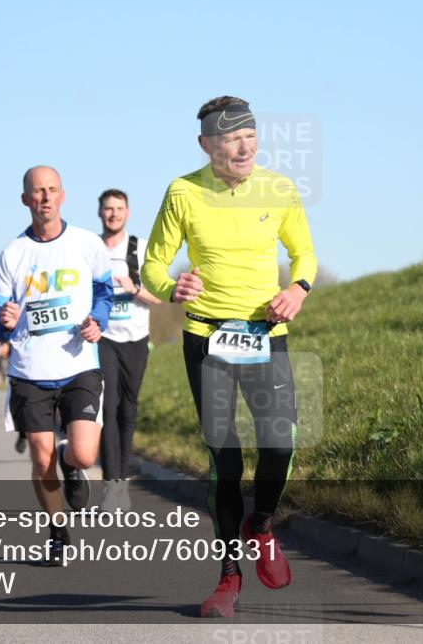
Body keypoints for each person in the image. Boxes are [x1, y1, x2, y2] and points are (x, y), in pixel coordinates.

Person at [141, 96, 317, 617]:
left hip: (265, 334)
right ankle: (227, 578)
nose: (242, 146)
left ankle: (259, 525)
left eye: (249, 135)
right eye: (228, 138)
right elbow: (152, 264)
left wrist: (299, 289)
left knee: (280, 444)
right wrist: (174, 286)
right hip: (206, 337)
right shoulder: (183, 192)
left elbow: (303, 252)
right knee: (225, 457)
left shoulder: (280, 189)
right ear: (206, 145)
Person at [0, 165, 113, 564]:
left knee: (86, 454)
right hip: (29, 372)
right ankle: (57, 532)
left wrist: (98, 322)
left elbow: (104, 294)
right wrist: (2, 323)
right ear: (25, 199)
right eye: (37, 191)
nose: (44, 197)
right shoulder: (13, 254)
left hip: (78, 366)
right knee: (41, 458)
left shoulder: (87, 244)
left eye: (51, 189)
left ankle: (72, 466)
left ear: (62, 196)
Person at [97, 189, 161, 511]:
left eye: (118, 208)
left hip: (135, 338)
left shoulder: (140, 249)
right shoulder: (90, 249)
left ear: (128, 212)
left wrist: (133, 288)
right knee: (108, 407)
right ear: (100, 213)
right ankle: (112, 484)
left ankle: (122, 476)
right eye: (108, 209)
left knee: (128, 409)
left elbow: (159, 297)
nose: (113, 214)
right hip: (103, 338)